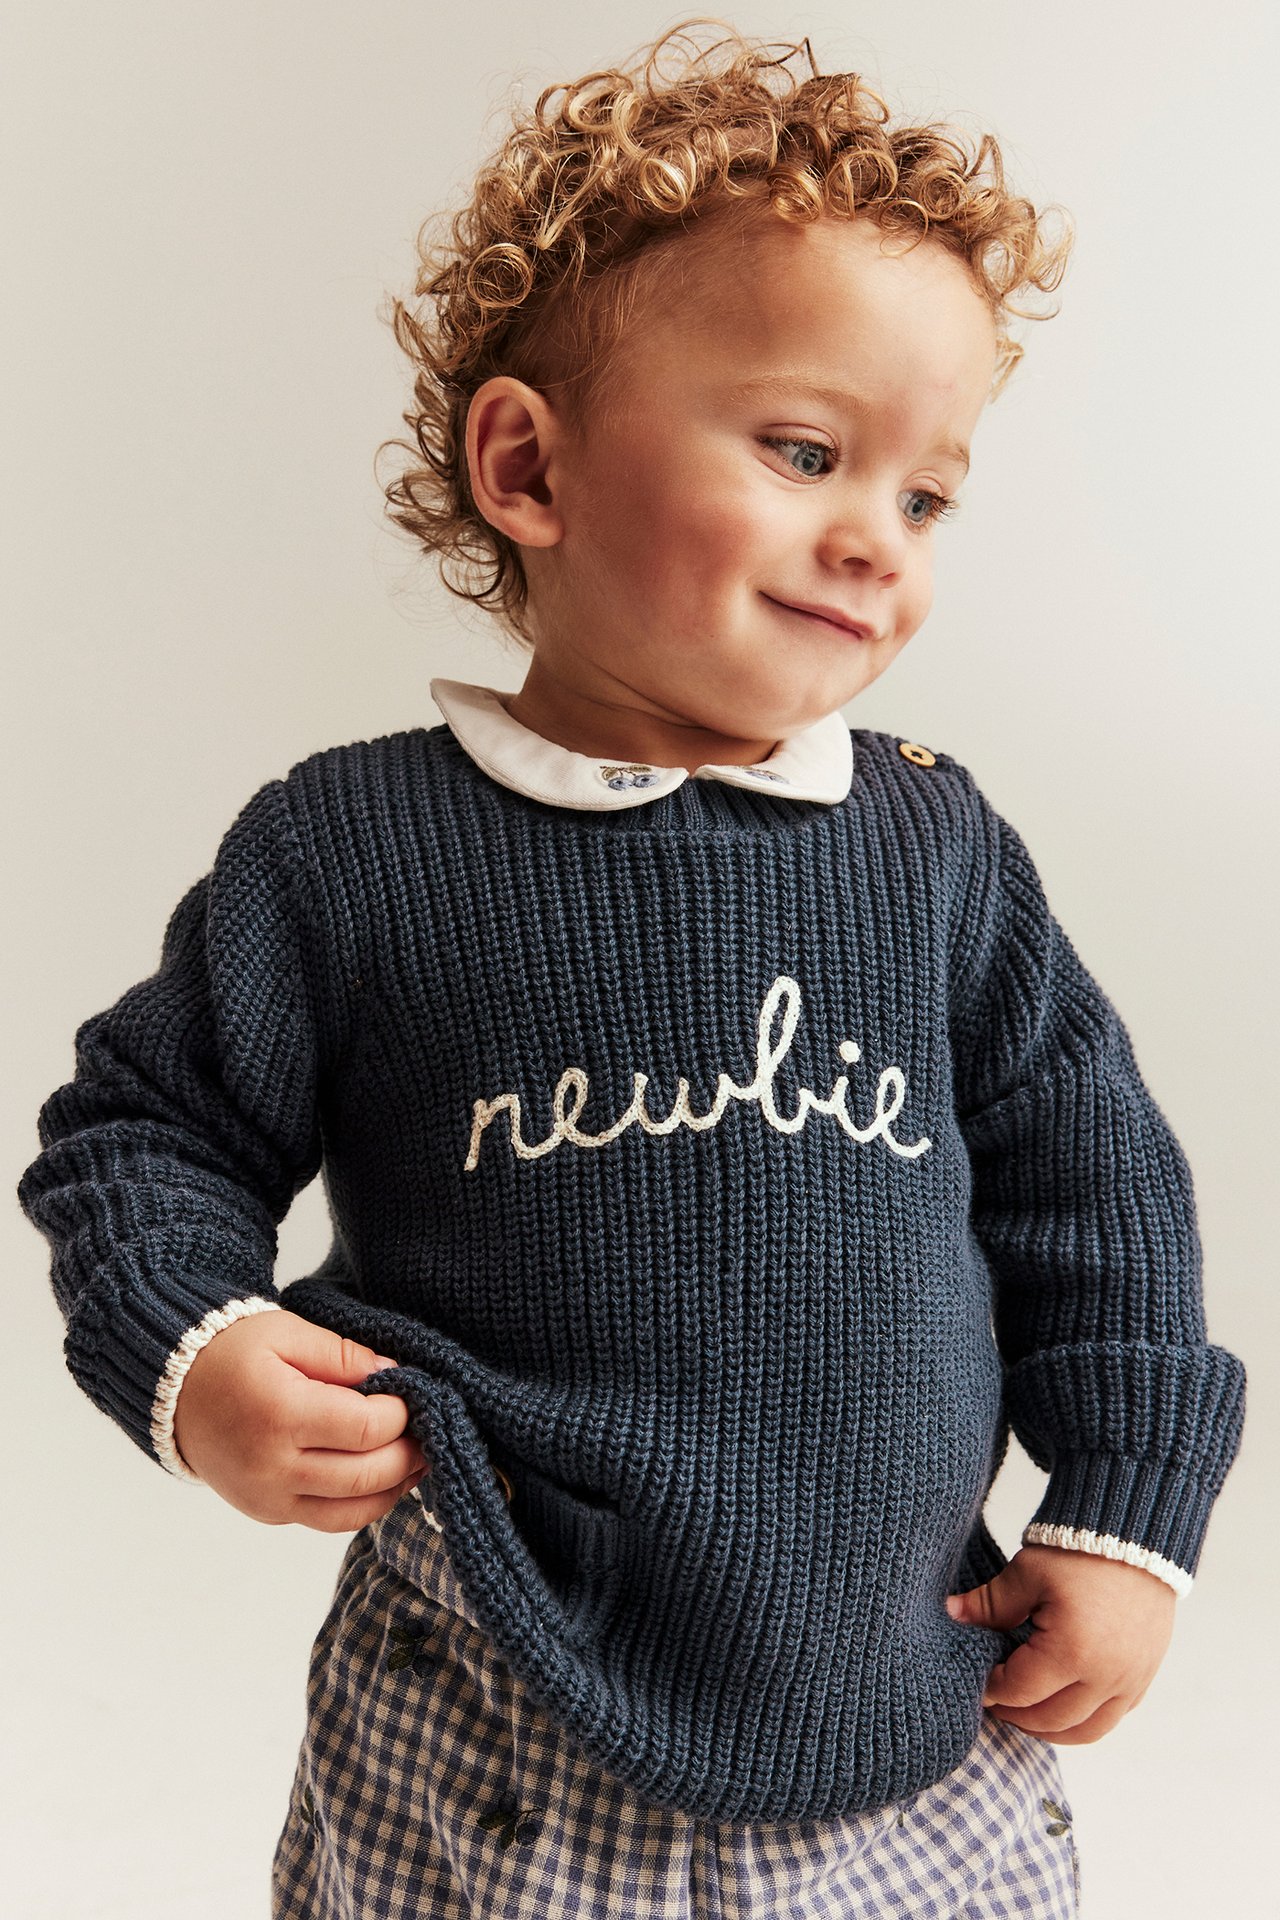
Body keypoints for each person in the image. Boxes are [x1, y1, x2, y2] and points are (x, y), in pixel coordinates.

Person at [17, 19, 1247, 1918]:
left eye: (927, 496)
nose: (877, 541)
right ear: (530, 465)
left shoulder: (932, 851)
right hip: (491, 1711)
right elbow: (142, 1135)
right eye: (807, 450)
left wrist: (1126, 1511)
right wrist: (198, 1353)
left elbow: (1100, 1198)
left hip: (908, 1711)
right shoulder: (356, 849)